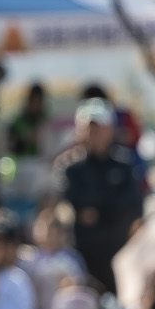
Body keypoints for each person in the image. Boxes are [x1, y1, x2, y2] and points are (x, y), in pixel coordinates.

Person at [56, 99, 143, 292]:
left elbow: (131, 206)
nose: (93, 133)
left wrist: (99, 212)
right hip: (83, 257)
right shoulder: (71, 169)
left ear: (110, 129)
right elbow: (72, 206)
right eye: (88, 128)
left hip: (120, 255)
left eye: (99, 127)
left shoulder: (124, 165)